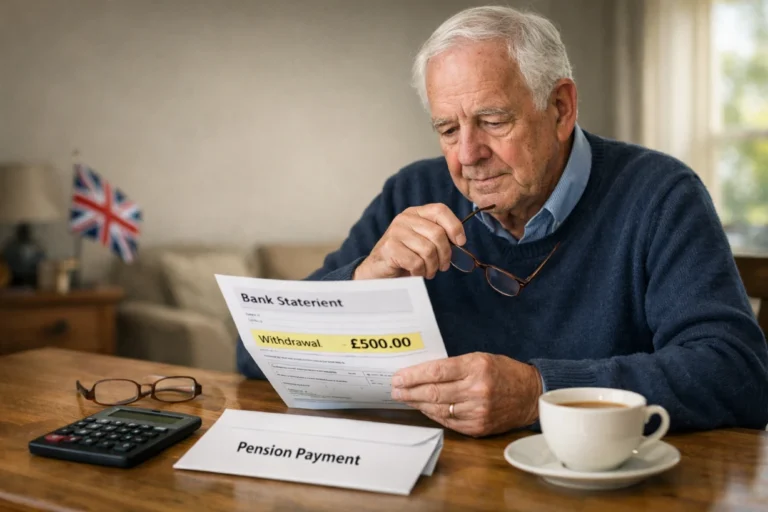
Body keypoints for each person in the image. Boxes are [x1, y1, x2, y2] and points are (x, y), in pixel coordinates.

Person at [237, 6, 768, 436]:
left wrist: (540, 392)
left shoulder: (661, 194)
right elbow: (254, 355)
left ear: (560, 108)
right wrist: (362, 282)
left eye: (493, 121)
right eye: (448, 129)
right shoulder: (410, 192)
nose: (468, 155)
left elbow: (738, 373)